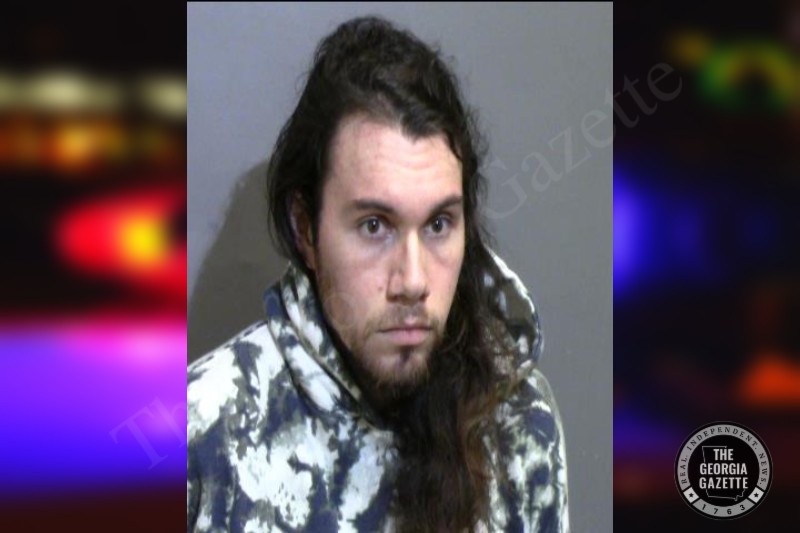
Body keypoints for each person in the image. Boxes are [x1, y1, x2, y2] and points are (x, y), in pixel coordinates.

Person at [187, 16, 568, 533]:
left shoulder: (517, 420)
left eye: (438, 224)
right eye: (374, 226)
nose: (412, 281)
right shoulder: (206, 432)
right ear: (306, 229)